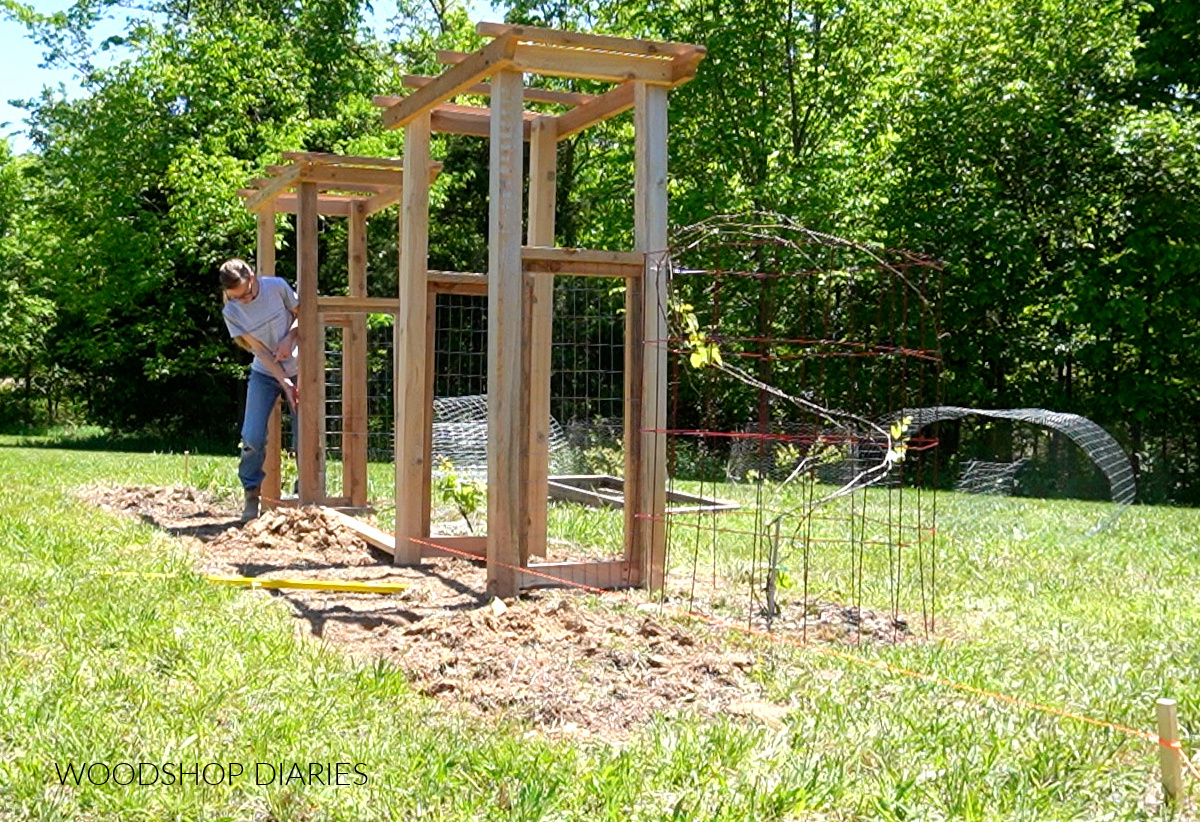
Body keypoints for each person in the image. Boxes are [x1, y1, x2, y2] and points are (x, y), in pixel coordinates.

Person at [219, 258, 300, 521]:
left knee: (305, 436)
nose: (243, 300)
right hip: (266, 373)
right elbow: (261, 352)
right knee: (251, 436)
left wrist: (290, 338)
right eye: (235, 297)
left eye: (246, 293)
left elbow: (303, 315)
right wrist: (284, 382)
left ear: (252, 277)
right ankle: (252, 494)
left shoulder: (276, 287)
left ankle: (307, 490)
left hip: (302, 369)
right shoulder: (231, 311)